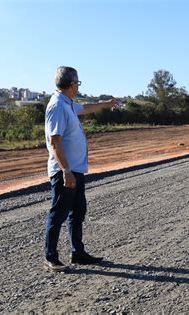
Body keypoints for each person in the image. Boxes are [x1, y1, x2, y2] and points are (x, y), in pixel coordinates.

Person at [43, 66, 118, 271]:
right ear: (71, 83)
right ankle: (51, 257)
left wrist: (107, 103)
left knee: (77, 212)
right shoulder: (57, 105)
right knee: (58, 213)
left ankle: (78, 253)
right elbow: (55, 141)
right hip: (64, 171)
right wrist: (65, 170)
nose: (78, 86)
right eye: (78, 83)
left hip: (75, 169)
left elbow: (86, 108)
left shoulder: (68, 103)